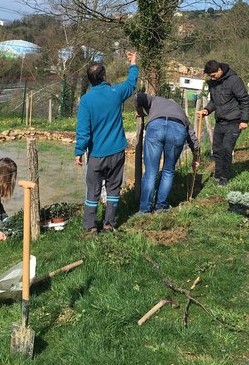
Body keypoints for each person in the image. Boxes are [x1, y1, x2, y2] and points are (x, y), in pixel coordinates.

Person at [75, 52, 138, 234]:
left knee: (93, 190)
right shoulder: (115, 93)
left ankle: (90, 226)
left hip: (97, 155)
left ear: (90, 80)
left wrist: (79, 151)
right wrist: (133, 63)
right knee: (113, 188)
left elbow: (83, 131)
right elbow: (131, 83)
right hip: (117, 151)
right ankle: (109, 224)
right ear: (104, 77)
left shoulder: (86, 101)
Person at [134, 92, 200, 213]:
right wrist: (196, 155)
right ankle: (160, 206)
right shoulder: (180, 111)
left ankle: (144, 209)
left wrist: (139, 111)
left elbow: (138, 96)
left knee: (151, 171)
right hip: (177, 129)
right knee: (168, 170)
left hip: (156, 128)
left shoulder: (154, 99)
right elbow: (191, 135)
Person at [199, 60, 249, 185]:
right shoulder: (212, 83)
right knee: (216, 150)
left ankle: (224, 177)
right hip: (220, 121)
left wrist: (244, 120)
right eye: (210, 76)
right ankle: (218, 173)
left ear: (219, 70)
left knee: (227, 149)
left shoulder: (234, 80)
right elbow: (214, 101)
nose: (212, 78)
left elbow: (245, 100)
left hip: (234, 121)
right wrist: (207, 110)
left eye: (213, 75)